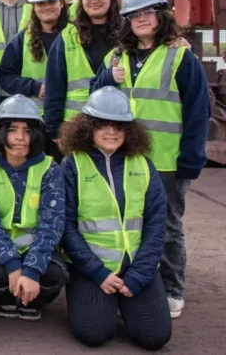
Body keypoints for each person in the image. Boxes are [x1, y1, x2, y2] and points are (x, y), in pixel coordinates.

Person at [93, 0, 211, 319]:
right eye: (134, 15)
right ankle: (135, 285)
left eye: (147, 13)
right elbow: (94, 97)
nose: (142, 20)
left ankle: (173, 290)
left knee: (168, 228)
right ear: (127, 21)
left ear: (160, 16)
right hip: (125, 160)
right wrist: (106, 78)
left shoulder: (181, 57)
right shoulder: (117, 57)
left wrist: (190, 161)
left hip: (165, 162)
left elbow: (197, 113)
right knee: (129, 225)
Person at [60, 86, 171, 350]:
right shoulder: (73, 165)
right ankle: (103, 302)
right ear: (88, 128)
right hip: (92, 269)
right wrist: (98, 272)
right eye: (102, 125)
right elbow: (65, 226)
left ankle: (126, 300)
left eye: (119, 126)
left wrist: (140, 275)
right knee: (94, 333)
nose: (111, 131)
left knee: (155, 338)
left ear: (129, 130)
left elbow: (157, 223)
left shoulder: (143, 164)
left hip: (137, 268)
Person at [0, 95, 66, 321]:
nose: (20, 138)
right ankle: (5, 299)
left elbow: (51, 224)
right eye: (13, 130)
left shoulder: (50, 168)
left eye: (27, 131)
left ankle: (33, 300)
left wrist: (32, 269)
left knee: (54, 274)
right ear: (1, 132)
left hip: (36, 244)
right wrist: (13, 265)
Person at [43, 0, 121, 144]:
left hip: (117, 129)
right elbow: (54, 88)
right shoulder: (68, 36)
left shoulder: (128, 32)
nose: (94, 1)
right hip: (77, 130)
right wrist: (55, 131)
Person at [0, 0, 68, 161]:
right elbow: (5, 76)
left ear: (61, 3)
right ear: (34, 7)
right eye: (40, 3)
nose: (46, 7)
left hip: (67, 120)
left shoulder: (75, 36)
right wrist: (35, 87)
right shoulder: (23, 39)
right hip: (33, 123)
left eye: (52, 1)